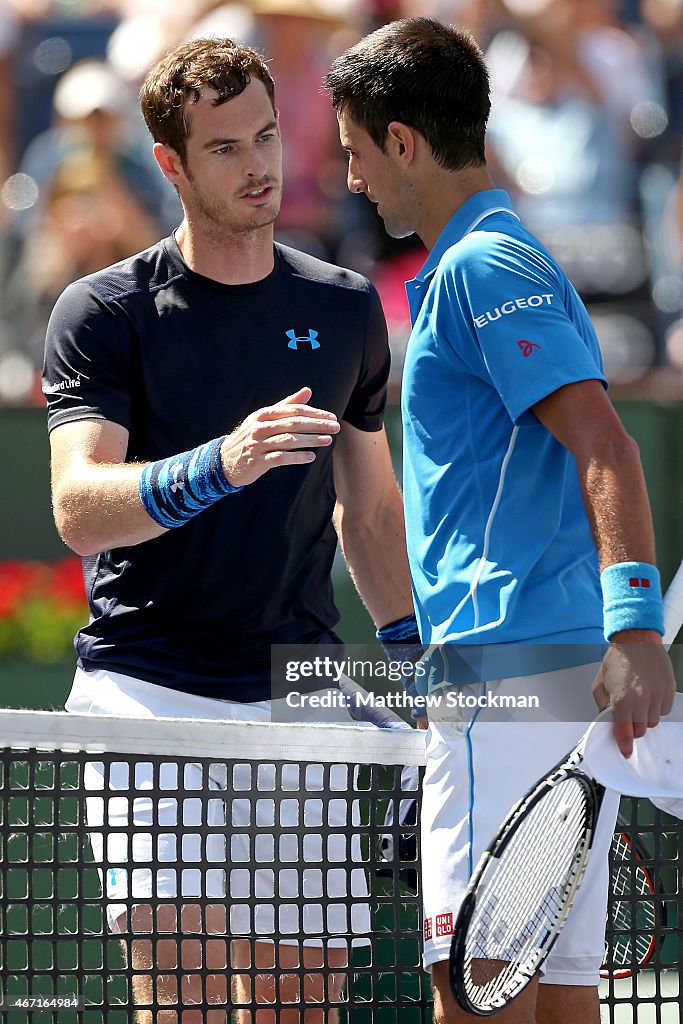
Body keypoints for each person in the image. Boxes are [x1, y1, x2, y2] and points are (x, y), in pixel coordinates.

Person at [43, 36, 420, 1024]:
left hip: (300, 695)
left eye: (264, 136)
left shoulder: (341, 309)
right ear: (169, 162)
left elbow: (369, 511)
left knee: (301, 1005)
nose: (258, 165)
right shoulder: (102, 312)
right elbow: (78, 508)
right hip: (144, 692)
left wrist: (412, 655)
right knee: (190, 1000)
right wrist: (220, 462)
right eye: (223, 148)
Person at [325, 17, 676, 1024]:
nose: (350, 180)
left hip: (503, 675)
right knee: (557, 997)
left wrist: (636, 627)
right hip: (546, 675)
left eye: (355, 152)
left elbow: (604, 443)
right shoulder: (502, 257)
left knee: (470, 998)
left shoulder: (483, 267)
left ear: (401, 141)